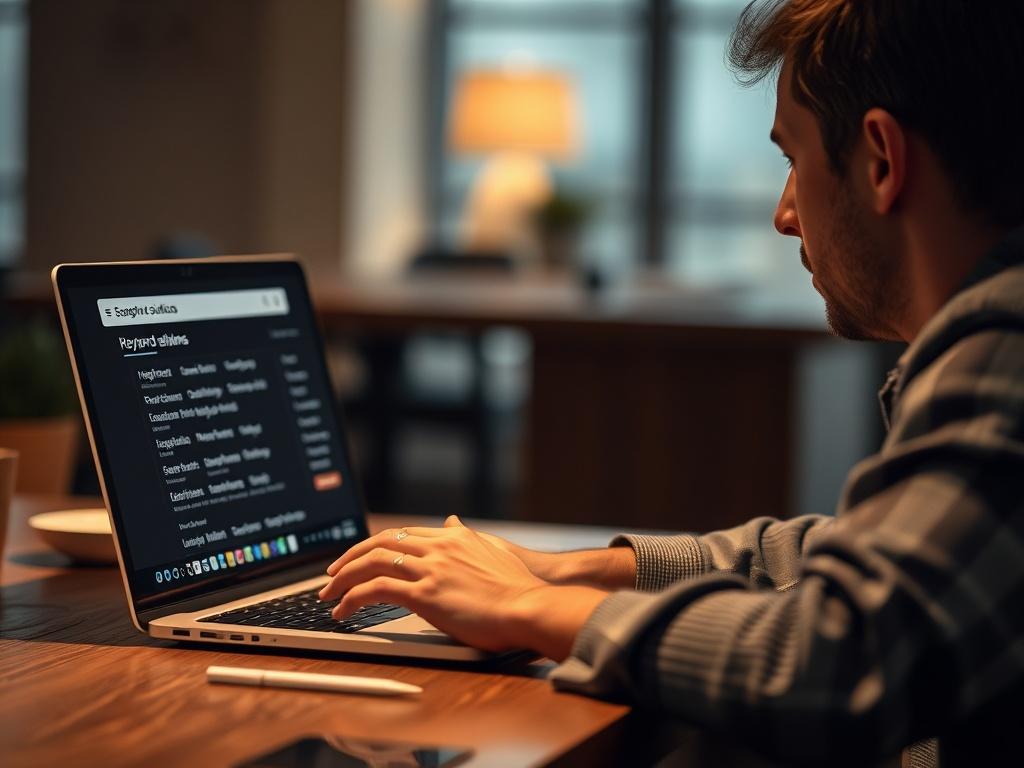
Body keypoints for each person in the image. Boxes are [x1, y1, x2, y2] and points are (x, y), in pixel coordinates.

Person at [319, 1, 1024, 765]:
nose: (785, 214)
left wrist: (529, 606)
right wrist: (572, 569)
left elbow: (841, 664)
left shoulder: (1004, 353)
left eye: (793, 160)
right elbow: (849, 554)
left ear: (881, 161)